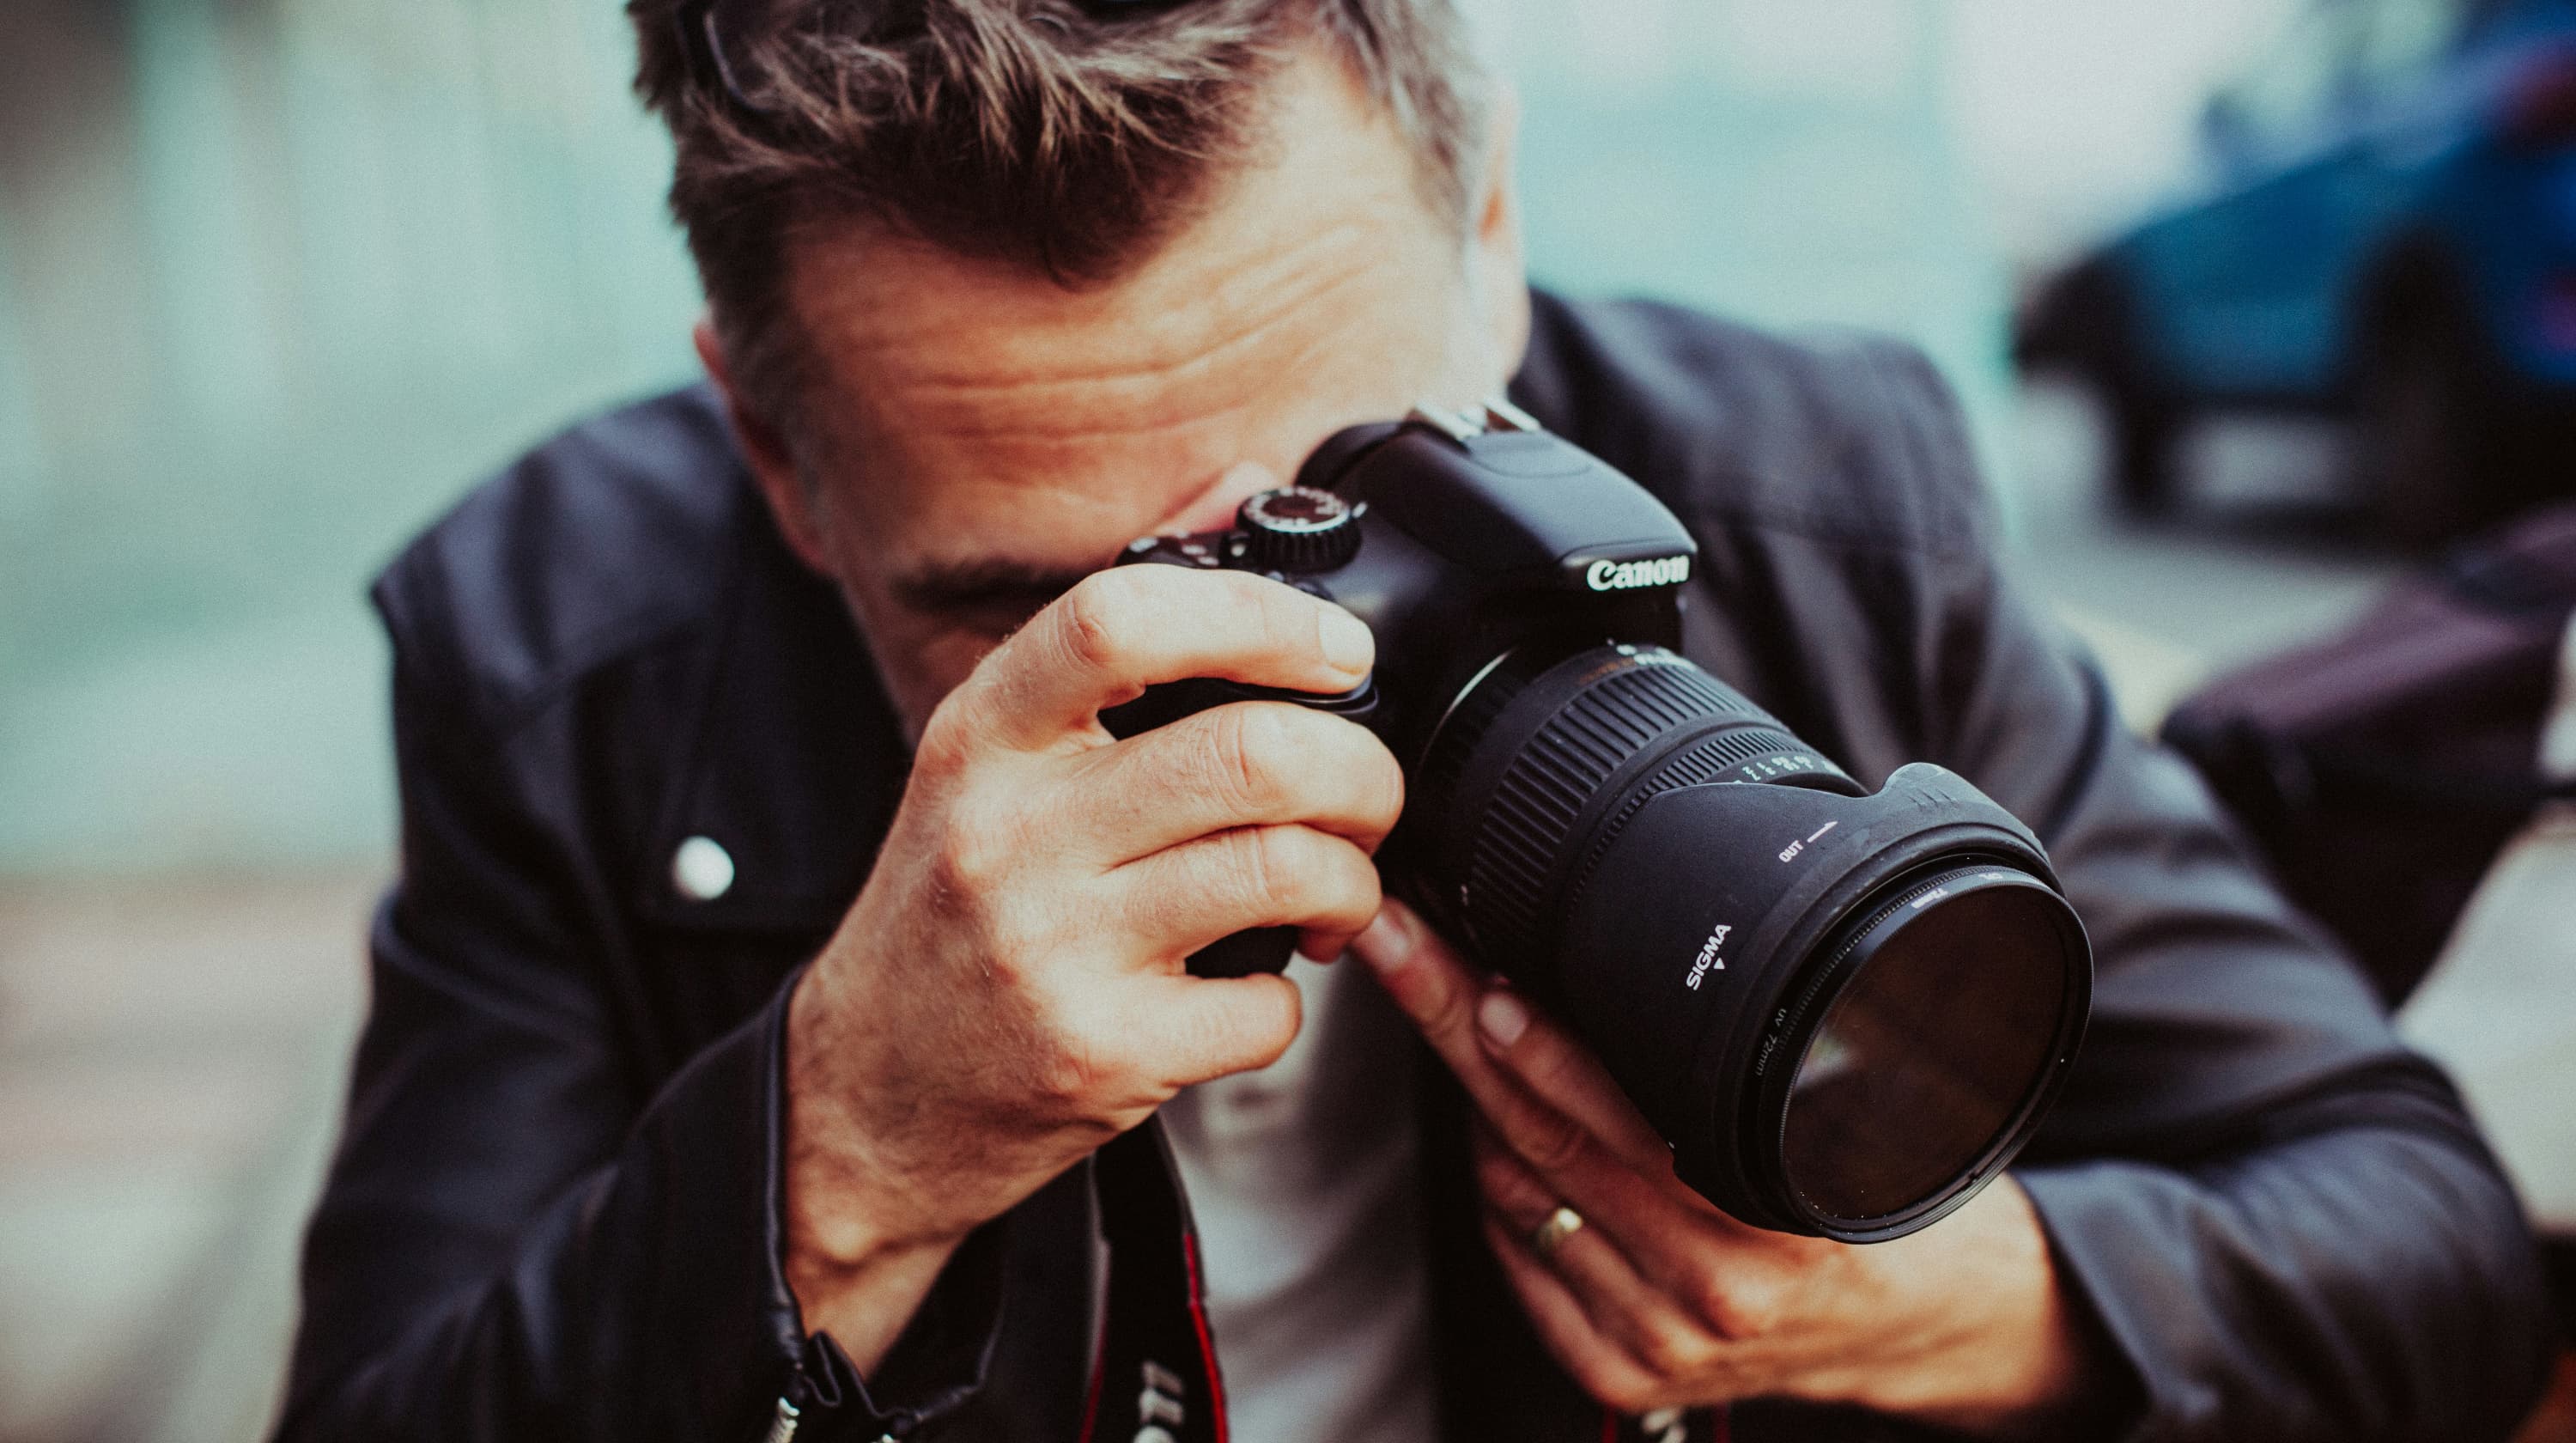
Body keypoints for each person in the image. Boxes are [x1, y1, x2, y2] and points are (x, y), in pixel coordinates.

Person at [272, 3, 2554, 1440]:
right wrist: (837, 1152)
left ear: (1492, 235)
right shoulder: (553, 654)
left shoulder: (1825, 514)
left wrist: (1960, 1308)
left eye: (1339, 515)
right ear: (774, 460)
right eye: (1007, 610)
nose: (1204, 676)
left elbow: (2421, 1239)